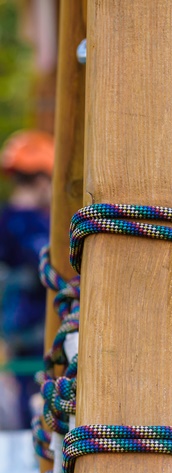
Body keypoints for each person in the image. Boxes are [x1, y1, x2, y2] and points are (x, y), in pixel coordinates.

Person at [0, 129, 54, 430]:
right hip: (37, 335)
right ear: (41, 180)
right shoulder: (32, 227)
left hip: (20, 334)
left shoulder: (7, 220)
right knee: (36, 412)